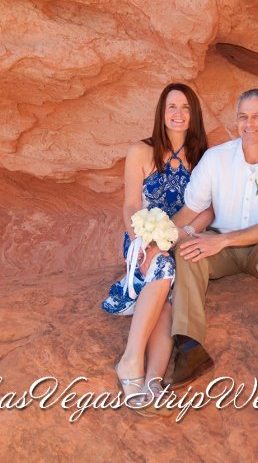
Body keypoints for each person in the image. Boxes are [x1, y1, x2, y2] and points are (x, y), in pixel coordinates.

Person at [168, 88, 258, 390]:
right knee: (187, 249)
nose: (249, 124)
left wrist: (223, 241)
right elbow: (190, 210)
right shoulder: (215, 158)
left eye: (257, 117)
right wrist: (158, 241)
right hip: (221, 246)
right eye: (243, 117)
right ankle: (189, 349)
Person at [101, 83, 212, 412]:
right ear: (162, 113)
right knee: (161, 267)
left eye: (186, 108)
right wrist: (143, 241)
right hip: (141, 237)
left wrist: (180, 235)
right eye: (172, 107)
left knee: (168, 295)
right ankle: (130, 360)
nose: (178, 114)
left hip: (181, 238)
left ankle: (153, 380)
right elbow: (130, 205)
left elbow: (208, 211)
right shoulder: (141, 151)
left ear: (194, 114)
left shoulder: (204, 157)